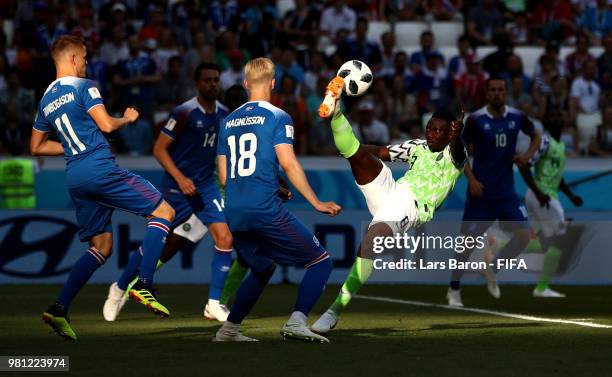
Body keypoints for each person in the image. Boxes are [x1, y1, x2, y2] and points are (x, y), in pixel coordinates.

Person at [31, 35, 175, 341]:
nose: (86, 63)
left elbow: (37, 146)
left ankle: (59, 308)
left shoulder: (45, 99)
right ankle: (144, 283)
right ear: (71, 59)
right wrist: (127, 118)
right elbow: (107, 125)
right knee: (164, 211)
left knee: (101, 247)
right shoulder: (85, 86)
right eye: (83, 57)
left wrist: (73, 147)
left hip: (76, 177)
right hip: (100, 169)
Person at [312, 76, 466, 334]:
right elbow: (383, 152)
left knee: (370, 241)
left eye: (437, 130)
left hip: (412, 207)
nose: (430, 133)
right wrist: (350, 149)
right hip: (392, 189)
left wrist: (458, 137)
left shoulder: (454, 154)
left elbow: (459, 152)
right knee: (357, 155)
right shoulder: (419, 145)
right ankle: (336, 111)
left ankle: (334, 311)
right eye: (428, 127)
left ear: (450, 132)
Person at [214, 58, 340, 343]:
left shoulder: (228, 122)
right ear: (273, 83)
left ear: (246, 84)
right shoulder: (278, 116)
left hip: (233, 211)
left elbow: (223, 177)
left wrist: (272, 185)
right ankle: (297, 321)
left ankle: (229, 330)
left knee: (262, 267)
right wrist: (316, 202)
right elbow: (289, 163)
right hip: (263, 208)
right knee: (320, 262)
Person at [102, 63, 238, 322]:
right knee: (155, 245)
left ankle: (213, 303)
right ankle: (118, 288)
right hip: (177, 188)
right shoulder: (184, 112)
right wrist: (180, 178)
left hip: (206, 188)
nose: (213, 84)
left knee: (225, 237)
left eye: (216, 80)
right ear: (197, 84)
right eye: (207, 80)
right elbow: (159, 149)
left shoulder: (224, 115)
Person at [447, 78, 541, 307]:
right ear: (486, 93)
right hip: (481, 194)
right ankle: (454, 289)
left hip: (506, 193)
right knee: (467, 244)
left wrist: (527, 156)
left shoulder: (517, 117)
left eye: (501, 89)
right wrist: (471, 179)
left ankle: (492, 268)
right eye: (492, 90)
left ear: (506, 92)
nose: (497, 93)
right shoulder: (477, 120)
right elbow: (458, 150)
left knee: (524, 237)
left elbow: (536, 136)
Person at [517, 108, 583, 297]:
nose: (557, 117)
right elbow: (524, 165)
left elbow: (558, 177)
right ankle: (542, 288)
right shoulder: (544, 142)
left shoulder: (560, 146)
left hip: (545, 195)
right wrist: (538, 193)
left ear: (564, 122)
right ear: (546, 122)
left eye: (559, 115)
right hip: (543, 196)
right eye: (553, 115)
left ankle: (497, 245)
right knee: (559, 240)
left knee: (542, 241)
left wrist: (571, 196)